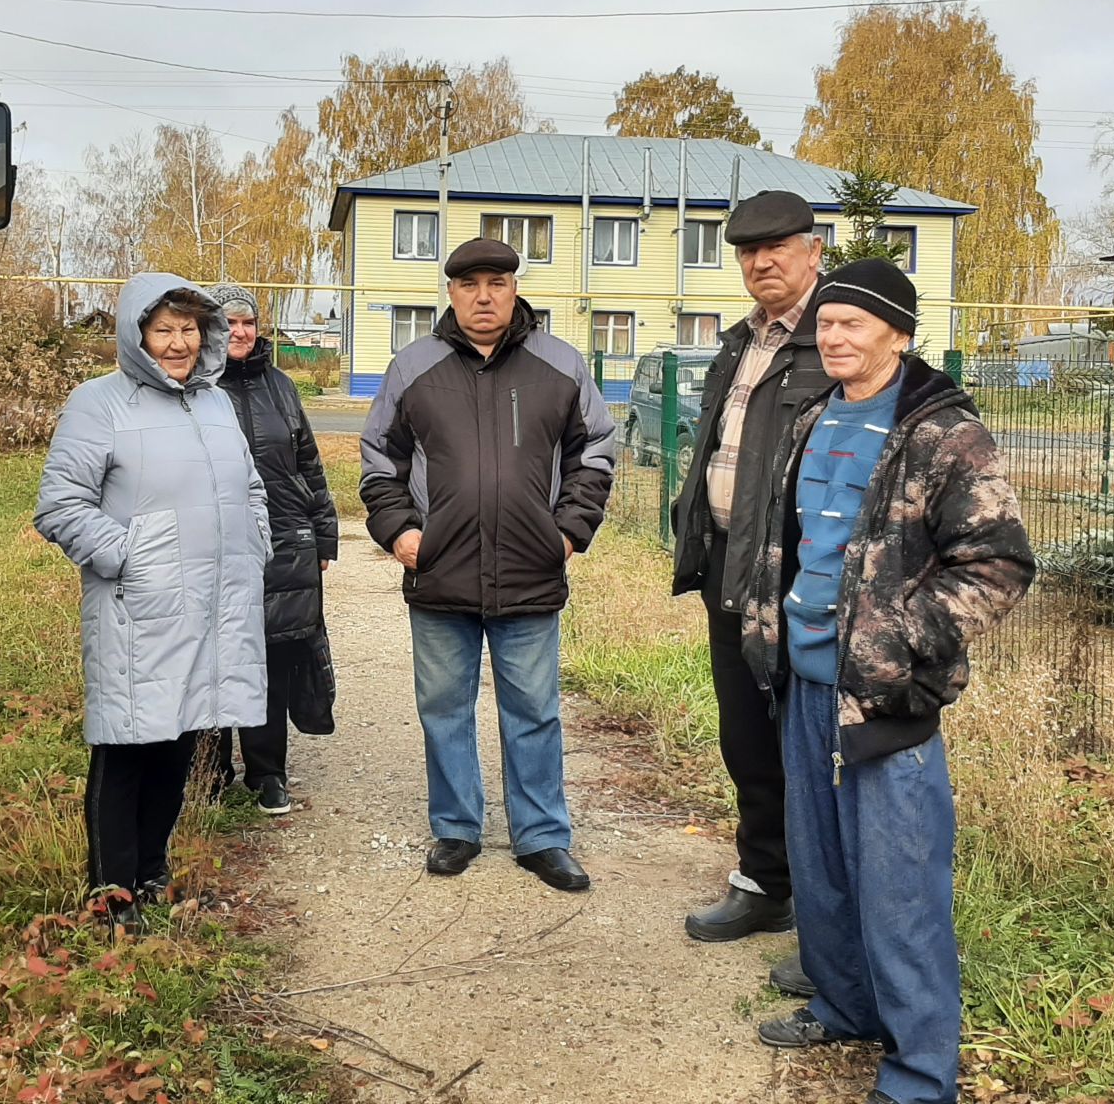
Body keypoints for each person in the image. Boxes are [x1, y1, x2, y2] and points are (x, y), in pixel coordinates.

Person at [748, 259, 1035, 1104]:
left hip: (885, 697)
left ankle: (919, 1076)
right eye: (825, 324)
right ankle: (844, 1005)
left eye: (853, 326)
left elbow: (999, 565)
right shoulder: (811, 418)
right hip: (802, 684)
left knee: (901, 888)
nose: (833, 338)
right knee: (823, 866)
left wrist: (894, 642)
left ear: (900, 336)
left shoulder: (944, 435)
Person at [360, 238, 616, 891]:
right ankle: (456, 826)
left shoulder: (559, 365)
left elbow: (595, 455)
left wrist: (567, 534)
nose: (483, 296)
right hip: (440, 572)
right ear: (450, 292)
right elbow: (379, 463)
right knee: (444, 706)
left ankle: (541, 836)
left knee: (533, 708)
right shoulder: (413, 367)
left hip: (530, 572)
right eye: (469, 283)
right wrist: (400, 535)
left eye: (496, 283)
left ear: (514, 288)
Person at [34, 275, 272, 922]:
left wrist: (256, 543)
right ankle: (110, 896)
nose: (178, 343)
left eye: (189, 329)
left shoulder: (215, 404)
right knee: (129, 747)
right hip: (137, 609)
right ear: (137, 335)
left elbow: (249, 487)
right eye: (163, 329)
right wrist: (133, 560)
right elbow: (60, 506)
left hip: (208, 609)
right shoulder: (99, 403)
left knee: (179, 740)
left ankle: (148, 873)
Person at [668, 190, 831, 980]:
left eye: (777, 247)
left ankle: (828, 914)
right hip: (730, 565)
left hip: (801, 577)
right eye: (746, 251)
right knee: (747, 736)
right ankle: (767, 882)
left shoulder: (836, 338)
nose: (761, 262)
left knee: (811, 743)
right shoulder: (742, 342)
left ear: (813, 250)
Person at [205, 283, 338, 816]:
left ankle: (268, 774)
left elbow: (309, 463)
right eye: (229, 322)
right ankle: (211, 771)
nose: (240, 332)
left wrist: (324, 533)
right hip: (214, 544)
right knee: (213, 658)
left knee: (274, 657)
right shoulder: (194, 387)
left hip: (284, 540)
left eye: (248, 322)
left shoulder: (282, 387)